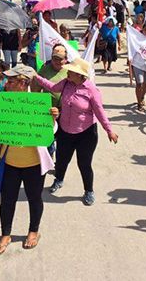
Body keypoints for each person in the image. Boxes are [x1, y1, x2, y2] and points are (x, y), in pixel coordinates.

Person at [0, 65, 57, 255]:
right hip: (10, 163)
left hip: (34, 164)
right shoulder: (3, 102)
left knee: (34, 198)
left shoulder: (38, 103)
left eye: (11, 81)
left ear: (23, 83)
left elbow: (50, 134)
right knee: (7, 200)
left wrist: (52, 119)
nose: (7, 84)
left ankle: (33, 231)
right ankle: (5, 234)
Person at [34, 58, 119, 206]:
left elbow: (100, 112)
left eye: (72, 71)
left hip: (86, 133)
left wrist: (109, 130)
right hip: (65, 131)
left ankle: (89, 191)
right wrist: (36, 77)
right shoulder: (66, 83)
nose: (68, 72)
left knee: (84, 163)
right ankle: (58, 180)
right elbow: (53, 87)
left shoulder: (91, 90)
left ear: (80, 75)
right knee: (61, 159)